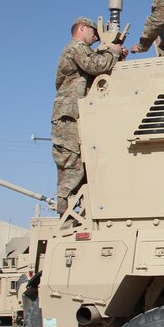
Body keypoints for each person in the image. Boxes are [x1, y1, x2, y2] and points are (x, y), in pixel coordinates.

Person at [51, 16, 125, 215]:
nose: (95, 37)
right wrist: (114, 52)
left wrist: (114, 54)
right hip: (69, 114)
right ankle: (65, 211)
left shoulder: (80, 51)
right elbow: (96, 66)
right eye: (94, 32)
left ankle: (73, 210)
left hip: (76, 112)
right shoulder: (76, 47)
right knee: (72, 162)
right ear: (82, 28)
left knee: (84, 163)